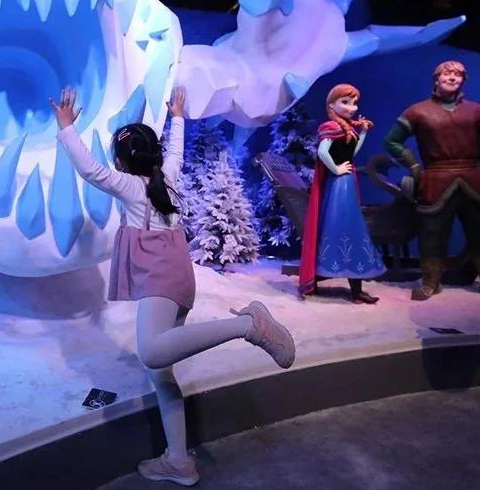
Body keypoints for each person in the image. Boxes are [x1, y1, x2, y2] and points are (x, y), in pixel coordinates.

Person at [51, 86, 296, 486]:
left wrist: (66, 129)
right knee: (162, 374)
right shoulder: (167, 176)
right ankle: (179, 461)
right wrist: (178, 116)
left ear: (122, 160)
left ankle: (246, 324)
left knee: (150, 353)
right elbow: (176, 152)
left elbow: (89, 169)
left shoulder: (131, 186)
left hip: (159, 279)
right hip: (178, 276)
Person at [383, 61, 480, 300]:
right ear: (436, 79)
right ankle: (431, 281)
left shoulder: (477, 111)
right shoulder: (417, 111)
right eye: (447, 74)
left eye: (458, 74)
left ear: (464, 80)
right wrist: (414, 165)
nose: (452, 78)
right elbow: (392, 141)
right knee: (432, 233)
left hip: (473, 177)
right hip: (436, 179)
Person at [299, 84, 385, 303]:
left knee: (350, 228)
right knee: (339, 226)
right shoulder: (330, 127)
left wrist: (363, 133)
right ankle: (317, 279)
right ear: (332, 105)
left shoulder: (348, 128)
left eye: (354, 103)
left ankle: (356, 289)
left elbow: (351, 153)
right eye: (345, 102)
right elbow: (322, 152)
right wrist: (336, 169)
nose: (351, 107)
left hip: (346, 182)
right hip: (338, 185)